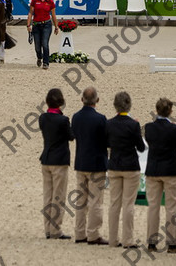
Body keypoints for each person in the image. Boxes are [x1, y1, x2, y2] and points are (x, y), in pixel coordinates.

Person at [70, 87, 108, 245]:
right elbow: (106, 140)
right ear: (97, 100)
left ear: (82, 99)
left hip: (81, 162)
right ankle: (93, 234)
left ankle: (79, 233)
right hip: (97, 163)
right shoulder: (101, 119)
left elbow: (74, 135)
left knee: (81, 201)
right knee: (95, 201)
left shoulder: (76, 117)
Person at [106, 91, 144, 249]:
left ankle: (113, 239)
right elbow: (141, 148)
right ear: (129, 104)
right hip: (130, 167)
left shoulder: (109, 123)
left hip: (114, 165)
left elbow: (107, 143)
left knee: (114, 203)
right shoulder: (133, 124)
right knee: (128, 204)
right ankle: (128, 239)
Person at [144, 98, 176, 253]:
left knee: (153, 206)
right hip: (171, 170)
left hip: (153, 169)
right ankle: (172, 243)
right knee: (171, 207)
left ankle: (151, 242)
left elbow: (149, 142)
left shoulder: (149, 127)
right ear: (170, 112)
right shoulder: (174, 129)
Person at [38, 88, 74, 240]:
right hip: (59, 161)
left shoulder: (43, 118)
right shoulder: (63, 120)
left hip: (46, 159)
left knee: (48, 195)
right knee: (58, 196)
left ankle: (47, 228)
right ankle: (55, 230)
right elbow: (71, 137)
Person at [26, 0, 58, 69]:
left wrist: (56, 26)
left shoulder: (50, 2)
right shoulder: (35, 0)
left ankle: (46, 62)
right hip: (36, 25)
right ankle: (39, 57)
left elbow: (53, 15)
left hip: (47, 25)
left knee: (45, 44)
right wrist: (28, 24)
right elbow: (30, 13)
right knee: (37, 47)